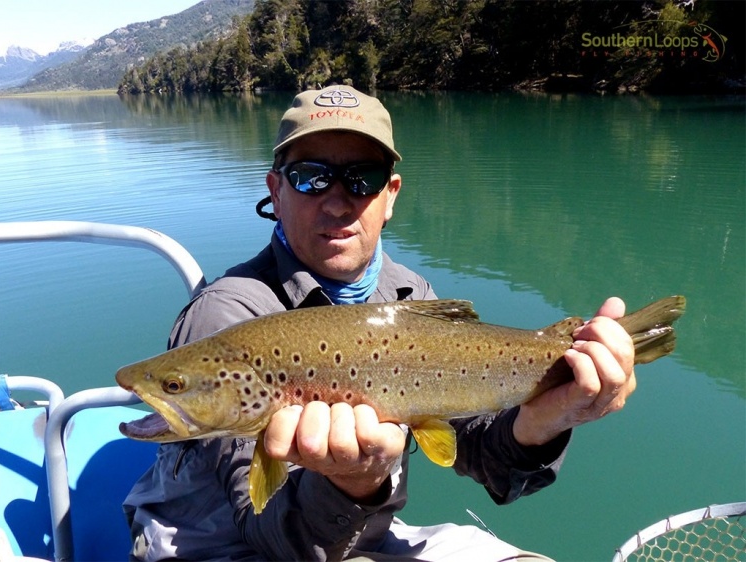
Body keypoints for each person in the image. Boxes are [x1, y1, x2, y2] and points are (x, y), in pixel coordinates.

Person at [123, 85, 636, 561]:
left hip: (361, 535)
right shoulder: (226, 317)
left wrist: (544, 420)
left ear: (389, 195)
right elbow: (266, 531)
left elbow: (480, 450)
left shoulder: (410, 298)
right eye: (311, 176)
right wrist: (352, 484)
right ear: (276, 192)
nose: (337, 198)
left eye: (362, 177)